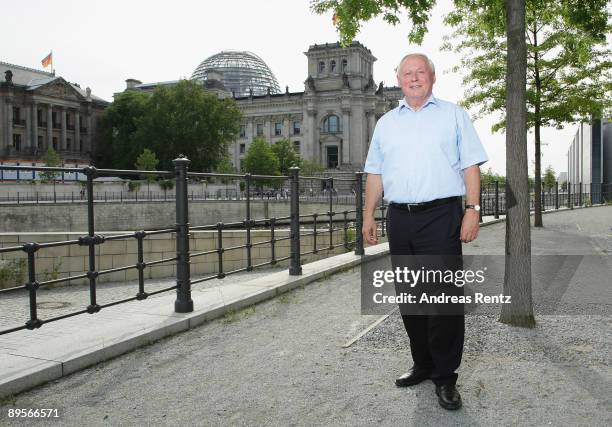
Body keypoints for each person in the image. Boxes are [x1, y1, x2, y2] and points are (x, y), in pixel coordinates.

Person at [362, 53, 488, 410]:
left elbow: (470, 168)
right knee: (410, 297)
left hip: (441, 216)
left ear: (433, 77)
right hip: (399, 218)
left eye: (420, 72)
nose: (414, 78)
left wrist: (472, 211)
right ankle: (423, 364)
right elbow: (376, 173)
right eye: (407, 73)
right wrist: (368, 215)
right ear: (399, 79)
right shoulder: (386, 123)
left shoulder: (454, 115)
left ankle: (446, 377)